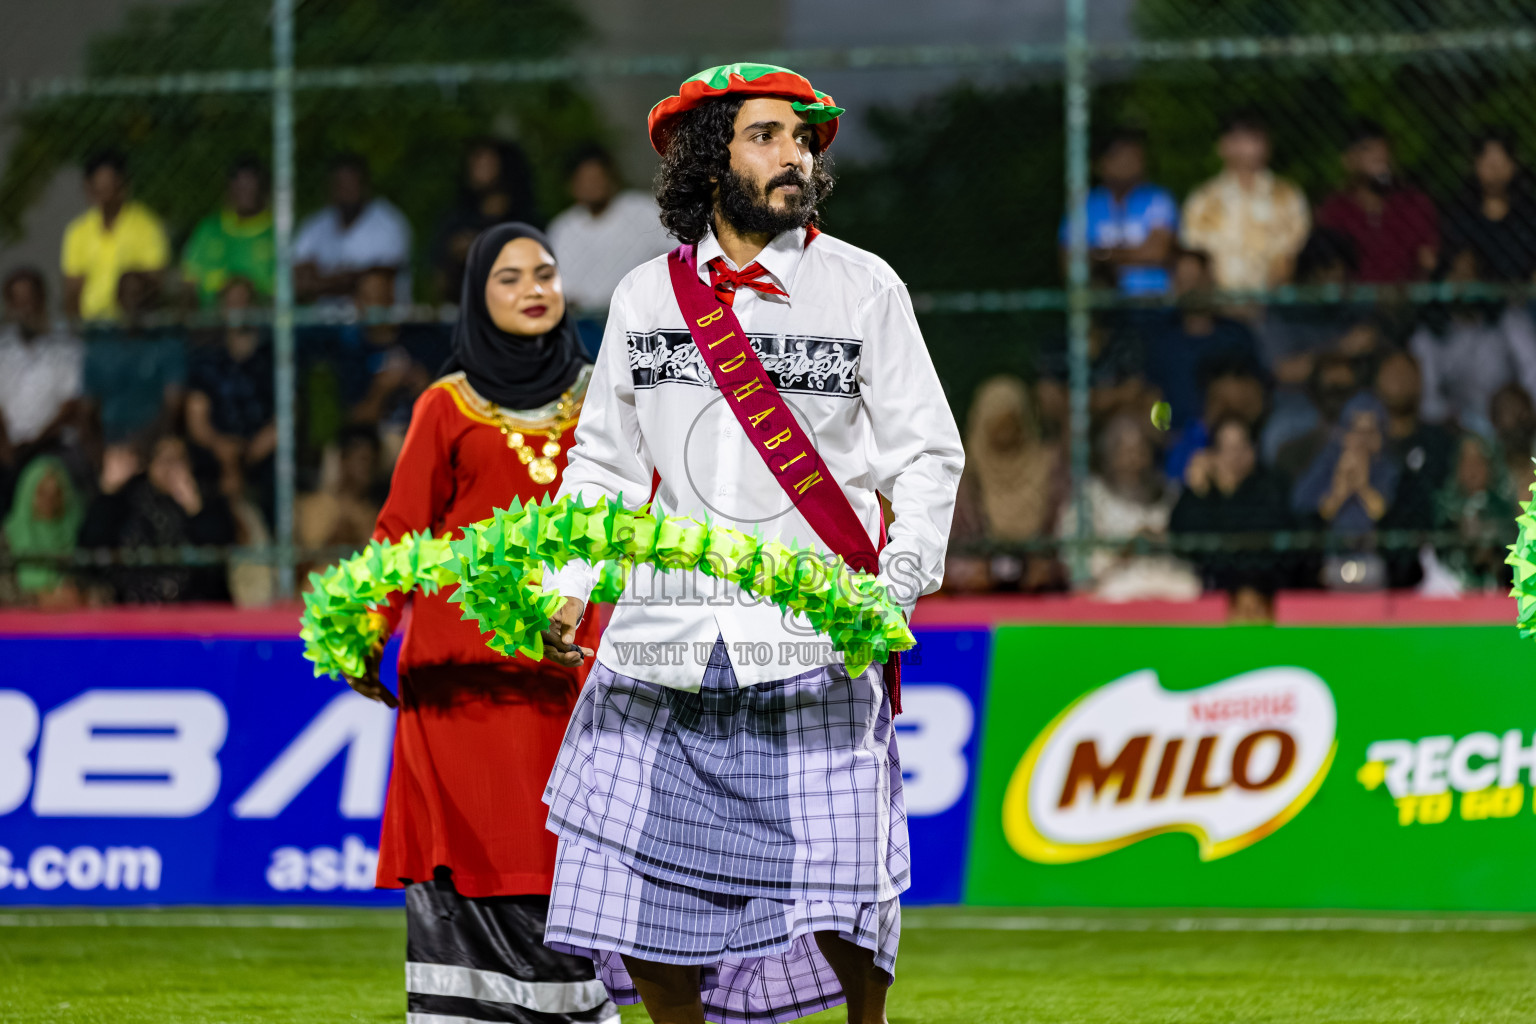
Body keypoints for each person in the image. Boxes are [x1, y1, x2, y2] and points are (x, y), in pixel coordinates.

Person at [537, 64, 964, 1024]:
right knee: (637, 883)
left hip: (816, 632)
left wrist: (893, 590)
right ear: (709, 157)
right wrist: (569, 581)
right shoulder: (647, 298)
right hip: (663, 636)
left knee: (848, 884)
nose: (794, 156)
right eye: (767, 136)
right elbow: (604, 464)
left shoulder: (864, 288)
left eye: (803, 139)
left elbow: (928, 456)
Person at [341, 222, 614, 1024]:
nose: (534, 289)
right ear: (477, 296)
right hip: (456, 684)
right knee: (464, 855)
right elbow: (401, 537)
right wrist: (363, 629)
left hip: (562, 669)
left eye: (546, 273)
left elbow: (629, 519)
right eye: (509, 277)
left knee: (563, 849)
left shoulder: (603, 399)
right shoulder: (443, 405)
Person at [78, 433, 236, 604]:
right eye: (163, 459)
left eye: (177, 460)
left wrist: (195, 509)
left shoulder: (207, 499)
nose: (170, 468)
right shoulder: (126, 499)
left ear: (190, 464)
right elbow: (90, 550)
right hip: (131, 611)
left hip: (193, 609)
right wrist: (109, 493)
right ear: (150, 464)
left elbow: (221, 558)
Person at [547, 143, 675, 353]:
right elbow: (560, 290)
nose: (592, 185)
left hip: (646, 320)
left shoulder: (644, 210)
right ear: (572, 185)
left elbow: (682, 252)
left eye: (596, 177)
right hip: (587, 328)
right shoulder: (563, 229)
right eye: (584, 179)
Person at [1059, 412, 1200, 601]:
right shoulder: (1089, 498)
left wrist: (1164, 540)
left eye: (1140, 450)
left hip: (1169, 586)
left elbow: (1192, 550)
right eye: (1124, 451)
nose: (1134, 459)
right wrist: (1124, 551)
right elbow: (1074, 557)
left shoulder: (1171, 495)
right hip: (1111, 589)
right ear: (1108, 455)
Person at [948, 376, 1066, 592]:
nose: (1005, 433)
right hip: (975, 599)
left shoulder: (1049, 468)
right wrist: (972, 571)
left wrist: (1049, 568)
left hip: (1044, 596)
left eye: (1012, 424)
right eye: (997, 425)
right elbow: (947, 544)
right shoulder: (963, 475)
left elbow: (1069, 535)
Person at [1409, 248, 1536, 435]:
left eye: (1470, 273)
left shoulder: (1508, 320)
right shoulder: (1428, 336)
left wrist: (1522, 406)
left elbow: (1533, 368)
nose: (1462, 283)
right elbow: (1428, 402)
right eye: (1456, 274)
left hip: (1514, 425)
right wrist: (1462, 421)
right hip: (1459, 433)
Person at [1181, 112, 1311, 292]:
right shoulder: (1203, 199)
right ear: (1222, 146)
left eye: (1256, 138)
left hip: (1272, 304)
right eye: (1239, 139)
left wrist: (1266, 299)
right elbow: (1195, 255)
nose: (1250, 147)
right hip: (1215, 303)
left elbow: (1292, 255)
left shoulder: (1288, 196)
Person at [1172, 415, 1293, 602]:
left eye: (1241, 446)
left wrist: (1228, 494)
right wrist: (1197, 493)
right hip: (1210, 593)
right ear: (1212, 454)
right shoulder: (1203, 490)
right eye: (1226, 449)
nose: (1235, 456)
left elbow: (1256, 543)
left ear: (1253, 450)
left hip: (1264, 591)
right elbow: (1182, 541)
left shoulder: (1272, 484)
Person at [1139, 248, 1260, 435]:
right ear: (1174, 286)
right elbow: (1153, 398)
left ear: (1209, 280)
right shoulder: (1161, 340)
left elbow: (1256, 395)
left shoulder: (1236, 336)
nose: (1191, 288)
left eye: (1196, 280)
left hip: (1230, 439)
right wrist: (1164, 435)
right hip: (1176, 440)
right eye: (1183, 281)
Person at [185, 278, 276, 516]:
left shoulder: (272, 357)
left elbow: (289, 412)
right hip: (215, 454)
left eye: (245, 301)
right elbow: (196, 417)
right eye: (232, 301)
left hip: (265, 454)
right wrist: (224, 450)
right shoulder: (206, 360)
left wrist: (251, 452)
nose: (239, 308)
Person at [1058, 127, 1178, 295]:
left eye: (1135, 155)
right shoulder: (1084, 205)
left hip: (1154, 300)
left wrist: (1100, 255)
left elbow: (1156, 252)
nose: (1130, 162)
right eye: (1121, 155)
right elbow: (1070, 261)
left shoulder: (1158, 199)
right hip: (1104, 300)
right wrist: (1132, 255)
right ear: (1099, 163)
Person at [1314, 121, 1438, 283]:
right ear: (1349, 160)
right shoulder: (1335, 210)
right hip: (1352, 304)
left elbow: (1428, 262)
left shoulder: (1413, 203)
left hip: (1408, 302)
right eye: (1367, 149)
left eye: (1383, 148)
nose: (1379, 155)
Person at [1374, 350, 1456, 587]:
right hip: (1369, 561)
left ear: (1420, 383)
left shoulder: (1440, 442)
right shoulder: (1362, 441)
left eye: (1406, 374)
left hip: (1433, 567)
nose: (1399, 380)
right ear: (1376, 382)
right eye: (1391, 373)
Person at [82, 270, 187, 449]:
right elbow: (88, 409)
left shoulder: (168, 345)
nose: (135, 302)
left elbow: (173, 407)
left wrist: (141, 445)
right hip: (111, 439)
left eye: (141, 295)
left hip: (156, 440)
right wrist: (98, 451)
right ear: (118, 299)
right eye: (129, 295)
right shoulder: (100, 348)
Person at [61, 150, 170, 322]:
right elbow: (73, 289)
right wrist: (75, 329)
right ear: (89, 188)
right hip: (93, 328)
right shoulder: (77, 231)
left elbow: (155, 283)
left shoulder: (147, 227)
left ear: (123, 186)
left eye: (108, 187)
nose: (103, 194)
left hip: (134, 324)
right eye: (98, 188)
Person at [0, 269, 86, 480]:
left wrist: (36, 444)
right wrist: (5, 446)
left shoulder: (66, 346)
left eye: (30, 299)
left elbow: (72, 405)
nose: (25, 308)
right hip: (7, 445)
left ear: (42, 300)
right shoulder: (3, 349)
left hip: (53, 445)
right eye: (18, 301)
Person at [430, 139, 540, 303]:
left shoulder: (526, 220)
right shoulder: (456, 221)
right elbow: (439, 281)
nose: (477, 170)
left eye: (487, 163)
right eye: (474, 163)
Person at [293, 154, 412, 303]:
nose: (346, 191)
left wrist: (322, 282)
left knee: (375, 286)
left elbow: (382, 275)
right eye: (340, 184)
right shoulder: (315, 225)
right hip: (322, 319)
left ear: (365, 186)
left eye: (351, 183)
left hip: (366, 318)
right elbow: (298, 276)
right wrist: (345, 279)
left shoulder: (388, 222)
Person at [1292, 393, 1399, 536]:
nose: (1363, 441)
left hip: (1375, 552)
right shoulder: (1329, 461)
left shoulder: (1386, 466)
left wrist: (1363, 487)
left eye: (1371, 432)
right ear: (1343, 434)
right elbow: (1300, 506)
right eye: (1357, 431)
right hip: (1332, 551)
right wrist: (1339, 491)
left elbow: (1388, 514)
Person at [181, 156, 276, 307]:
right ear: (228, 188)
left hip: (261, 319)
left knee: (238, 291)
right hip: (211, 320)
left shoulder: (277, 232)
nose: (245, 191)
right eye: (239, 183)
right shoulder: (208, 229)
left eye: (250, 183)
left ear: (263, 187)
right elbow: (189, 284)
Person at [1441, 133, 1536, 284]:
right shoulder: (1461, 212)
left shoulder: (1529, 213)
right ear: (1475, 165)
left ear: (1513, 166)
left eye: (1500, 164)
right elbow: (1460, 261)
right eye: (1488, 164)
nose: (1495, 172)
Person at [2, 455, 84, 607]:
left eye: (56, 494)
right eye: (42, 493)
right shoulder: (7, 537)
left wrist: (80, 593)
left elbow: (95, 584)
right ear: (27, 493)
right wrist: (38, 600)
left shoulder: (76, 533)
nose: (49, 501)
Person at [1275, 353, 1364, 484]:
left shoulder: (1374, 441)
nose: (1336, 400)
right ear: (1315, 391)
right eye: (1331, 389)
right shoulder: (1292, 452)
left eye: (1343, 390)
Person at [295, 425, 382, 556]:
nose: (368, 468)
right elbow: (303, 564)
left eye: (374, 461)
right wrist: (337, 538)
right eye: (363, 459)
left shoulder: (375, 513)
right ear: (343, 459)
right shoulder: (313, 506)